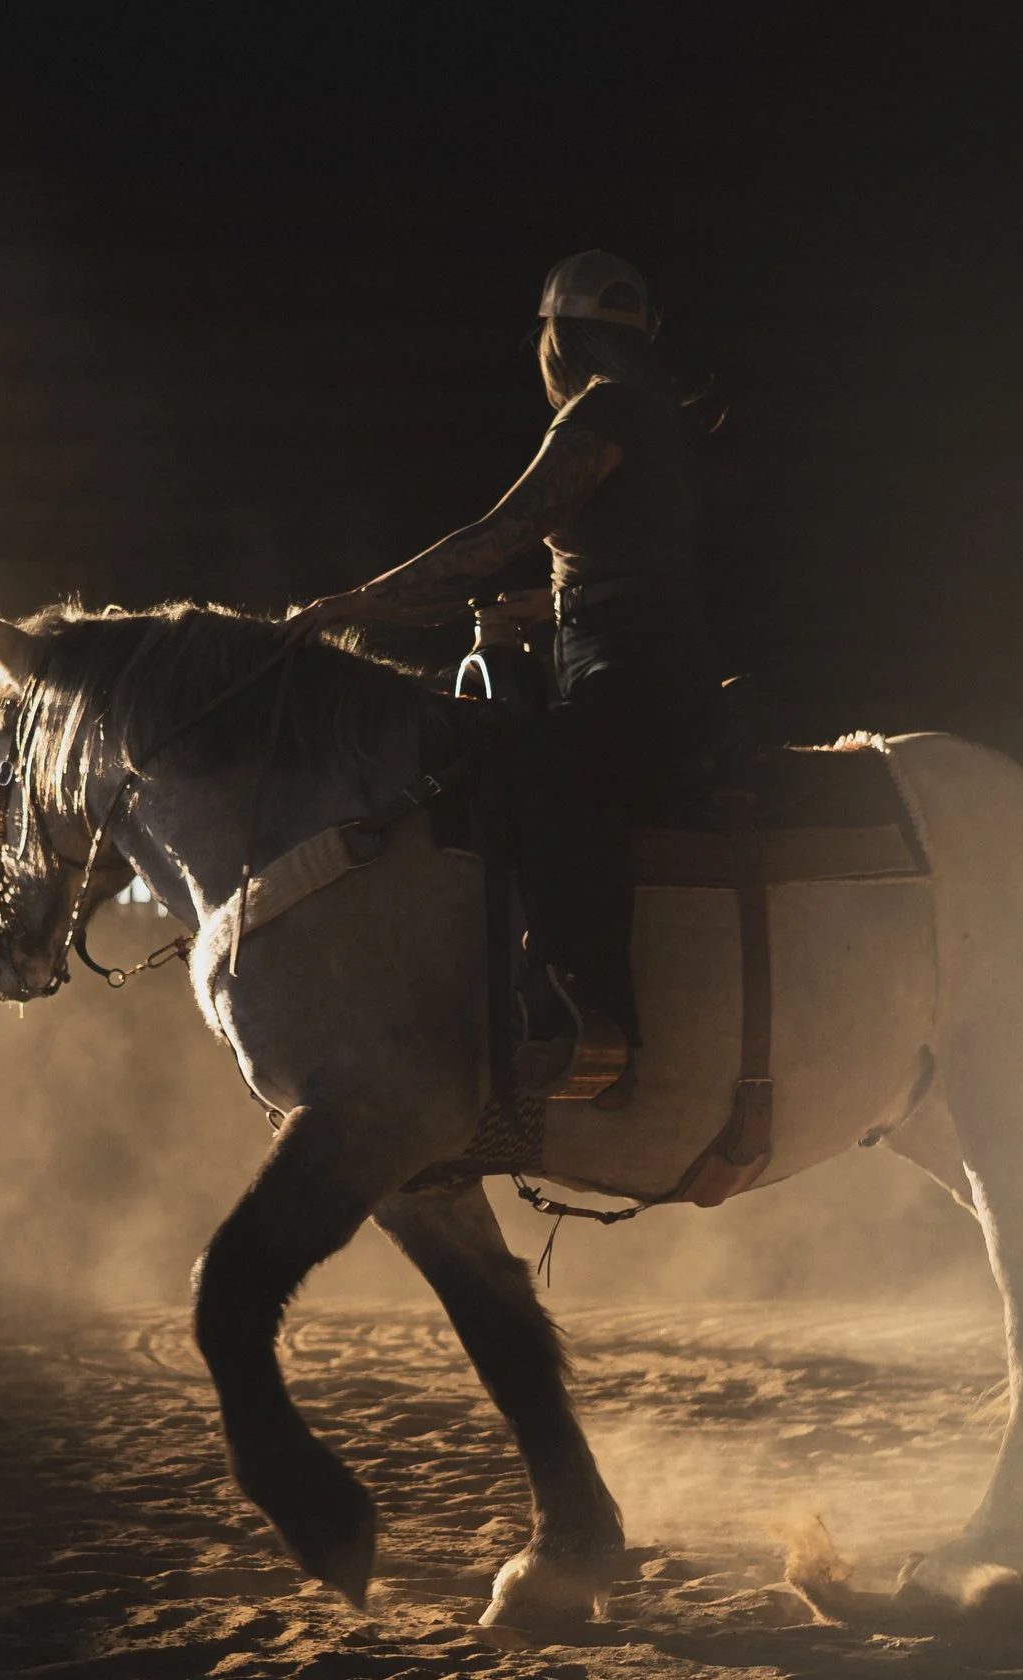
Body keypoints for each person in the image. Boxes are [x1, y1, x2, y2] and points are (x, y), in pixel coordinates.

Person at [284, 249, 725, 1105]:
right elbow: (627, 566)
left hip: (628, 673)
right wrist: (541, 611)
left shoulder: (600, 416)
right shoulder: (651, 415)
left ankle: (596, 1023)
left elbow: (498, 534)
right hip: (645, 656)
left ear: (558, 340)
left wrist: (356, 604)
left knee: (544, 771)